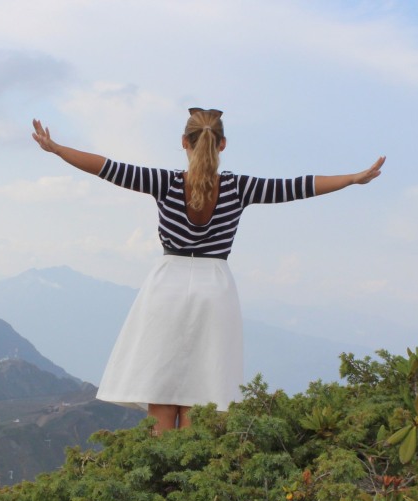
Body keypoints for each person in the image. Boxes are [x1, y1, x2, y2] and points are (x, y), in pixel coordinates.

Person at [31, 109, 385, 434]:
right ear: (223, 144)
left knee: (162, 390)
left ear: (184, 143)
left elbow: (107, 167)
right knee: (203, 391)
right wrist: (353, 178)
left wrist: (58, 149)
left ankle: (160, 478)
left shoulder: (164, 182)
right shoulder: (239, 187)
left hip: (166, 288)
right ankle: (193, 475)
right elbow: (299, 186)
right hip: (215, 289)